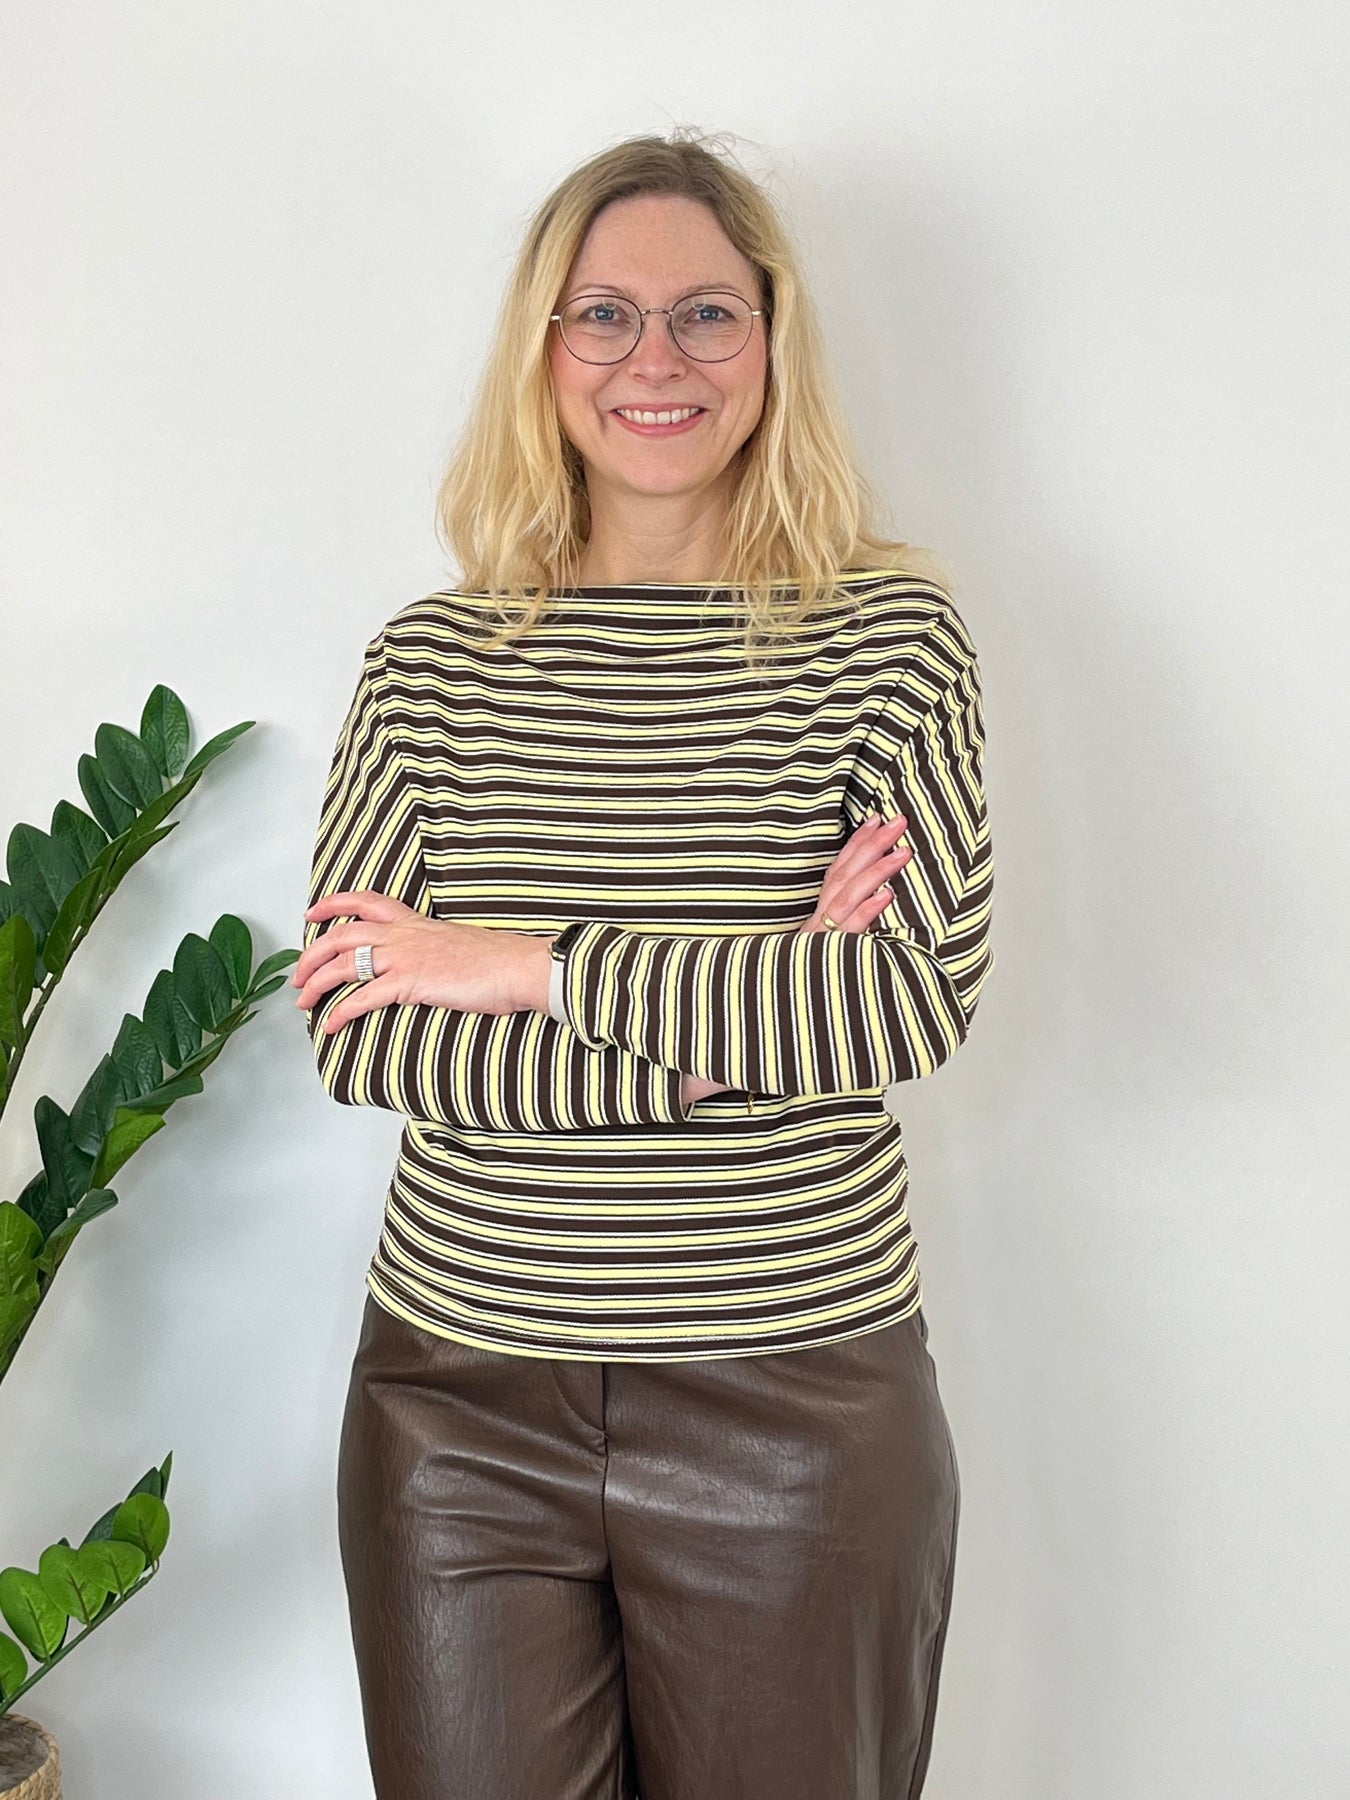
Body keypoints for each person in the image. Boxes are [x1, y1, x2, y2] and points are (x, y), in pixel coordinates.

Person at [292, 126, 994, 1800]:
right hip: (458, 1406)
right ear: (542, 350)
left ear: (770, 342)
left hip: (796, 1400)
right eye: (601, 314)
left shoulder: (888, 640)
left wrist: (521, 963)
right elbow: (364, 1034)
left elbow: (898, 1000)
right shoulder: (430, 668)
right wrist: (724, 1035)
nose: (653, 360)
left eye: (705, 314)